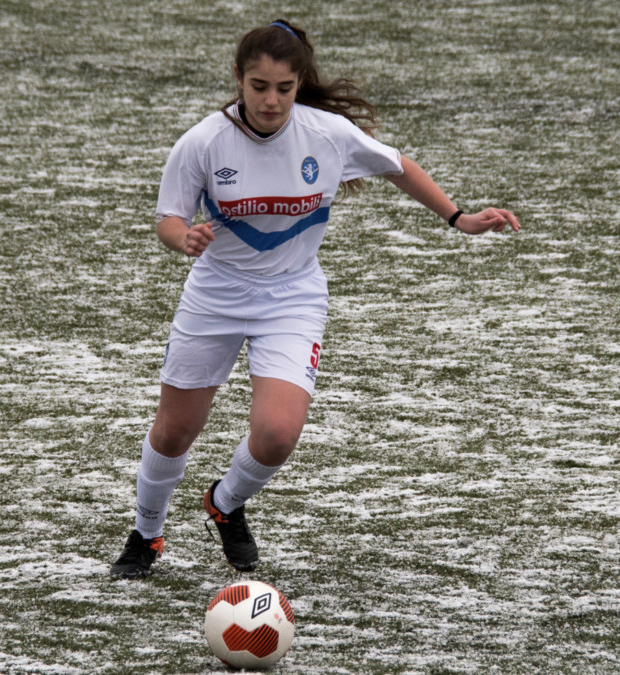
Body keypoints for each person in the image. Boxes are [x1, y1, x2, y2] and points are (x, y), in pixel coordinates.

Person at [110, 18, 520, 579]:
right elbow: (168, 218)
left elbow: (398, 167)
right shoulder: (203, 142)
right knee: (175, 430)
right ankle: (146, 534)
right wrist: (184, 237)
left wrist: (459, 218)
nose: (271, 101)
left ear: (300, 83)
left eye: (284, 88)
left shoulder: (327, 134)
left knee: (278, 435)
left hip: (292, 295)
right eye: (258, 86)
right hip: (217, 294)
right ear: (237, 78)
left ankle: (224, 504)